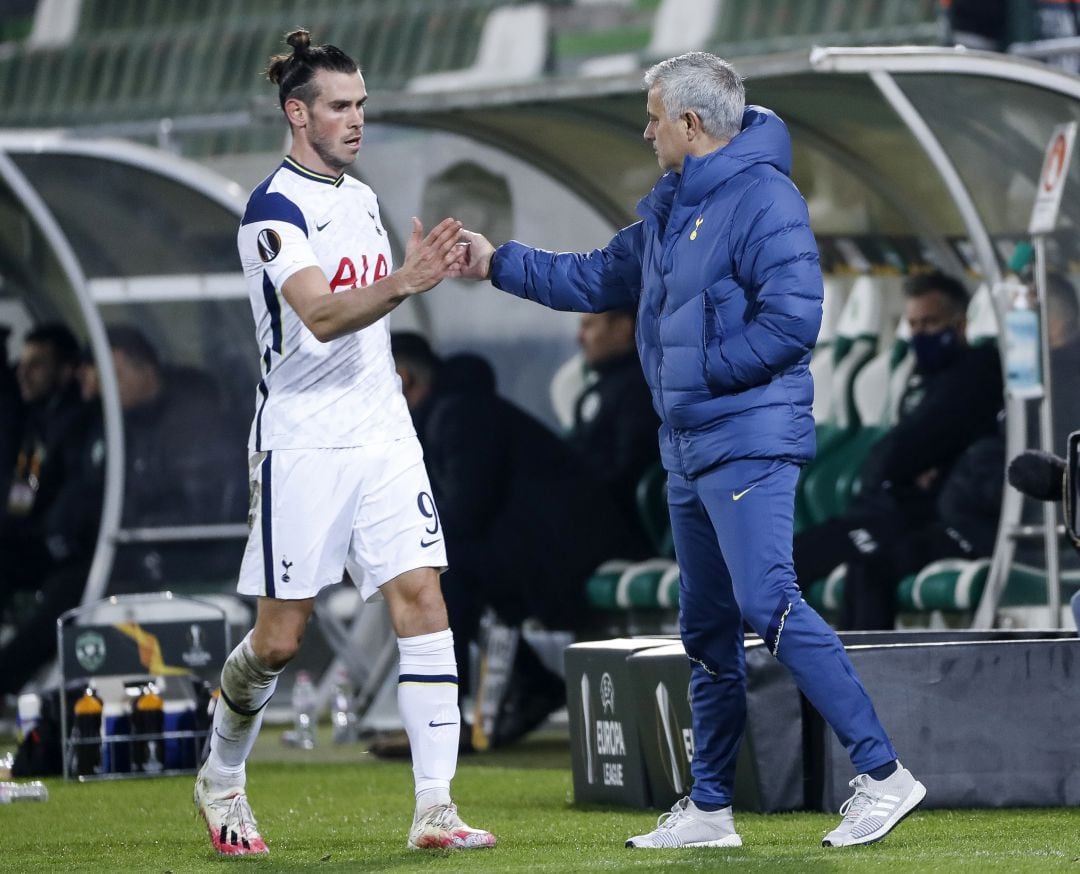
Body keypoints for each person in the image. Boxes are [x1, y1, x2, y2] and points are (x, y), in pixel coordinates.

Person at [453, 51, 925, 849]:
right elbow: (595, 277)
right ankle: (709, 808)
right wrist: (495, 261)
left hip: (746, 440)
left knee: (769, 603)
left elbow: (791, 322)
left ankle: (883, 775)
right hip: (690, 447)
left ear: (692, 124)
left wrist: (698, 373)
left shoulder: (765, 199)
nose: (646, 131)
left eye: (653, 117)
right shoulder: (673, 207)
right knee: (706, 627)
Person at [191, 30, 494, 856]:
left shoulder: (360, 198)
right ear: (299, 114)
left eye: (361, 104)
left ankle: (437, 806)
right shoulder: (271, 210)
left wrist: (413, 280)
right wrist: (407, 280)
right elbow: (320, 316)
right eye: (339, 106)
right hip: (303, 442)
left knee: (422, 597)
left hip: (381, 433)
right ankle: (221, 776)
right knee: (282, 639)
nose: (356, 120)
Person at [391, 333, 646, 748]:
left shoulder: (458, 414)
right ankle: (524, 687)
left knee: (441, 570)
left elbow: (466, 511)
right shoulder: (454, 410)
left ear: (402, 380)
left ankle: (444, 721)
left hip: (573, 549)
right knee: (444, 568)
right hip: (553, 545)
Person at [794, 272, 1004, 629]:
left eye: (931, 322)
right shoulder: (921, 380)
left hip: (910, 517)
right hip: (881, 509)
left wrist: (893, 467)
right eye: (913, 325)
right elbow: (900, 452)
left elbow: (903, 450)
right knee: (774, 562)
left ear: (961, 325)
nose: (921, 334)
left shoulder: (974, 374)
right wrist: (896, 465)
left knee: (858, 572)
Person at [0, 323, 103, 698]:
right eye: (21, 364)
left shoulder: (78, 423)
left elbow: (78, 499)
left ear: (66, 371)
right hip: (34, 540)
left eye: (37, 365)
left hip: (66, 550)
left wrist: (47, 533)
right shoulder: (36, 418)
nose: (23, 373)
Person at [567, 308, 660, 546]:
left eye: (589, 326)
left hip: (615, 532)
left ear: (623, 329)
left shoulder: (641, 389)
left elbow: (631, 469)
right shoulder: (600, 390)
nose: (579, 337)